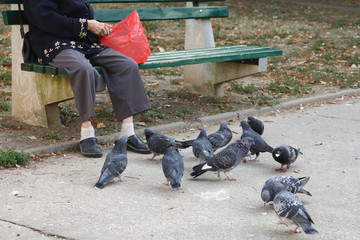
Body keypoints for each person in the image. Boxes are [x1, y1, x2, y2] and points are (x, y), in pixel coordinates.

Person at [23, 0, 152, 157]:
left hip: (83, 41)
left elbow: (81, 11)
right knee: (83, 69)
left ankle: (127, 133)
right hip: (54, 43)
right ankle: (87, 133)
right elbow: (45, 19)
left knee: (127, 65)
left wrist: (96, 27)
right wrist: (86, 25)